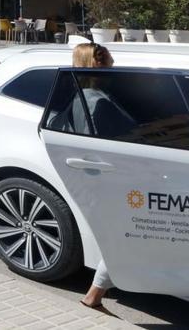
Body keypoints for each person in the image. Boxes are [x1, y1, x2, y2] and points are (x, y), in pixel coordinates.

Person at [74, 40, 117, 310]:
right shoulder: (100, 104)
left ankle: (94, 294)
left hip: (92, 178)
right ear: (98, 64)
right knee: (123, 239)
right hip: (109, 180)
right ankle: (93, 294)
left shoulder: (78, 97)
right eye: (110, 60)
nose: (114, 64)